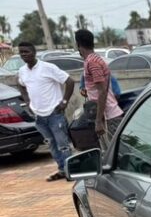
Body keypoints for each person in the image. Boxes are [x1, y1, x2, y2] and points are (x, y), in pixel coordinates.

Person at [16, 41, 75, 181]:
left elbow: (70, 81)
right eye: (21, 52)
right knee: (51, 145)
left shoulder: (48, 68)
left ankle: (71, 171)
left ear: (34, 52)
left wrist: (64, 102)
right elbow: (20, 84)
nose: (24, 55)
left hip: (55, 114)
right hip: (39, 117)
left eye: (27, 51)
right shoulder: (22, 71)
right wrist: (28, 101)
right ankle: (62, 170)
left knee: (63, 145)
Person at [74, 29, 123, 150]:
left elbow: (102, 91)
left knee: (115, 154)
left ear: (78, 44)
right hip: (106, 117)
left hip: (108, 118)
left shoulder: (92, 62)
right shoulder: (95, 60)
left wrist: (98, 121)